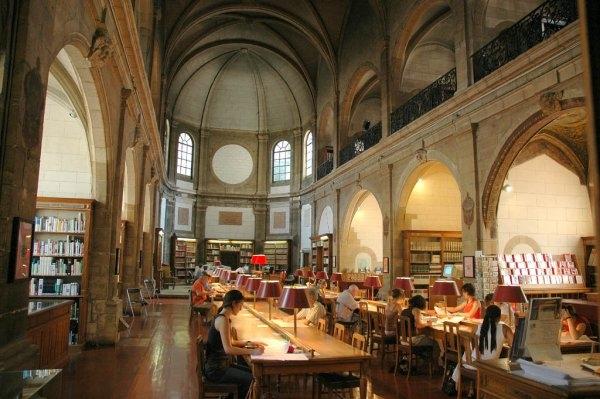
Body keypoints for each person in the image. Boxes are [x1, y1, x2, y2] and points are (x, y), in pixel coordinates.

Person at [205, 290, 266, 398]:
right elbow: (229, 349)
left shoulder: (223, 317)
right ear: (233, 303)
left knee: (252, 373)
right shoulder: (222, 320)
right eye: (240, 305)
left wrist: (251, 343)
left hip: (221, 365)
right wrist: (253, 352)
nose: (241, 308)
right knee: (251, 378)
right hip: (217, 369)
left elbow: (231, 342)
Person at [451, 305, 513, 383]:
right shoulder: (505, 328)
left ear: (486, 316)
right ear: (499, 317)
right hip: (489, 366)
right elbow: (513, 346)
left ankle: (460, 386)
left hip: (470, 364)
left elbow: (470, 345)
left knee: (466, 355)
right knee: (507, 364)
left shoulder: (477, 327)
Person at [400, 295, 440, 361]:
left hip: (402, 339)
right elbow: (418, 325)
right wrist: (428, 324)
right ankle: (435, 365)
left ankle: (424, 361)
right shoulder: (416, 310)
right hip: (412, 340)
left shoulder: (404, 311)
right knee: (435, 343)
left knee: (425, 337)